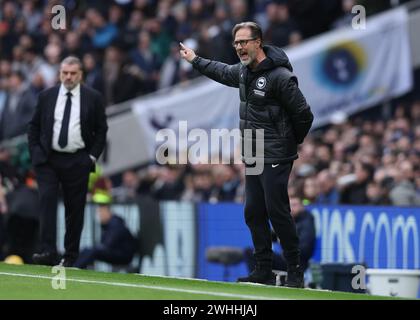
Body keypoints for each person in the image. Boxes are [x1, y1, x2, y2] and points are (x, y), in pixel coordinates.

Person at [180, 21, 313, 287]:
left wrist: (287, 142)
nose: (239, 47)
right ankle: (262, 268)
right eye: (236, 43)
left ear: (258, 42)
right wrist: (195, 60)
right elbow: (221, 71)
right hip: (253, 152)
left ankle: (295, 270)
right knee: (253, 211)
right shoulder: (243, 72)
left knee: (278, 211)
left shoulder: (280, 77)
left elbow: (304, 115)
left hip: (276, 154)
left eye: (244, 42)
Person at [27, 56, 108, 267]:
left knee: (75, 209)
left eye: (73, 73)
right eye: (65, 73)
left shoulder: (93, 97)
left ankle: (70, 256)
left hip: (77, 159)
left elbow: (101, 130)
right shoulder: (47, 96)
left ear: (80, 74)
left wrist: (91, 157)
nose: (68, 77)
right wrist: (36, 154)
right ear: (59, 73)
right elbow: (33, 126)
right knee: (46, 202)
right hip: (49, 159)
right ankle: (47, 251)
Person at [243, 195, 316, 276]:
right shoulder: (289, 221)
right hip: (286, 259)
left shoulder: (306, 222)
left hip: (295, 263)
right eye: (289, 205)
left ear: (302, 207)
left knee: (253, 253)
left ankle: (260, 278)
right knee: (253, 252)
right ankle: (259, 277)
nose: (291, 208)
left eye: (295, 205)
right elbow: (272, 236)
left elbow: (305, 248)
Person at [74, 190, 137, 269]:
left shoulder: (115, 224)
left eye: (100, 213)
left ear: (107, 212)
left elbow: (108, 244)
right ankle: (75, 265)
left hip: (123, 255)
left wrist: (99, 247)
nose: (99, 216)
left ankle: (76, 267)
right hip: (120, 253)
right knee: (88, 250)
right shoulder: (112, 224)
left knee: (93, 251)